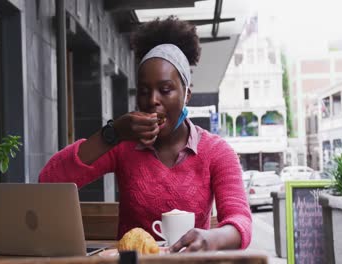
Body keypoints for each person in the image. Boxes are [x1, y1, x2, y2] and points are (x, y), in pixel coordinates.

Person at [39, 16, 252, 252]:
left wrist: (213, 238)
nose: (152, 100)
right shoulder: (123, 145)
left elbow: (240, 220)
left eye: (165, 90)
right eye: (143, 91)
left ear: (187, 95)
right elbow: (49, 181)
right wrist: (113, 133)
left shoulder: (216, 151)